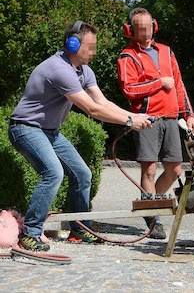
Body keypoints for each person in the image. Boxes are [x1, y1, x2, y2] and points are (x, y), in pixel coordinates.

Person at [8, 20, 154, 252]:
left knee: (82, 174)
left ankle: (79, 230)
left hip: (50, 133)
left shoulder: (83, 71)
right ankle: (30, 232)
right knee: (53, 173)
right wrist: (129, 121)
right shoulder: (59, 70)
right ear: (73, 44)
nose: (94, 51)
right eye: (91, 46)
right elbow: (92, 110)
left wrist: (135, 116)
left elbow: (102, 102)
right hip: (25, 128)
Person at [117, 8, 194, 239]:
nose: (145, 33)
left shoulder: (166, 51)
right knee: (150, 169)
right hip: (147, 120)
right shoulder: (127, 57)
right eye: (140, 29)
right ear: (130, 30)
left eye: (148, 27)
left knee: (175, 169)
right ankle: (153, 215)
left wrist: (188, 114)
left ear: (155, 26)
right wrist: (158, 83)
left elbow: (179, 84)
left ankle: (149, 202)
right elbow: (129, 90)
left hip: (172, 117)